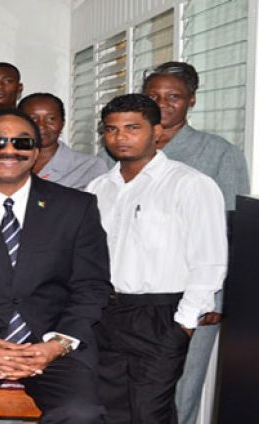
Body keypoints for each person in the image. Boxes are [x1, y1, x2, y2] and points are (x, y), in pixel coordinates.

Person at [0, 109, 110, 424]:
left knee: (81, 413)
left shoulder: (77, 207)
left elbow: (91, 287)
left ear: (36, 153)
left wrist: (55, 345)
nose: (9, 150)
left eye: (21, 142)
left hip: (52, 342)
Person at [86, 94, 227, 423]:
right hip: (105, 314)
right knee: (109, 410)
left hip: (160, 316)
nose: (120, 137)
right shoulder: (97, 187)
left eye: (132, 128)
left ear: (158, 132)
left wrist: (184, 323)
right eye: (111, 129)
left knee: (151, 412)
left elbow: (209, 260)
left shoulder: (190, 184)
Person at [139, 61, 250, 424]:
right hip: (131, 293)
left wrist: (216, 298)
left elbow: (233, 231)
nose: (163, 103)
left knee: (181, 389)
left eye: (174, 96)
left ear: (192, 101)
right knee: (132, 387)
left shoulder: (218, 152)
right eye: (154, 96)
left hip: (193, 294)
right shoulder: (122, 145)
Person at [17, 93, 107, 189]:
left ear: (62, 123)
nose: (41, 126)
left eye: (50, 119)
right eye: (33, 119)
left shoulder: (90, 166)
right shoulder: (4, 162)